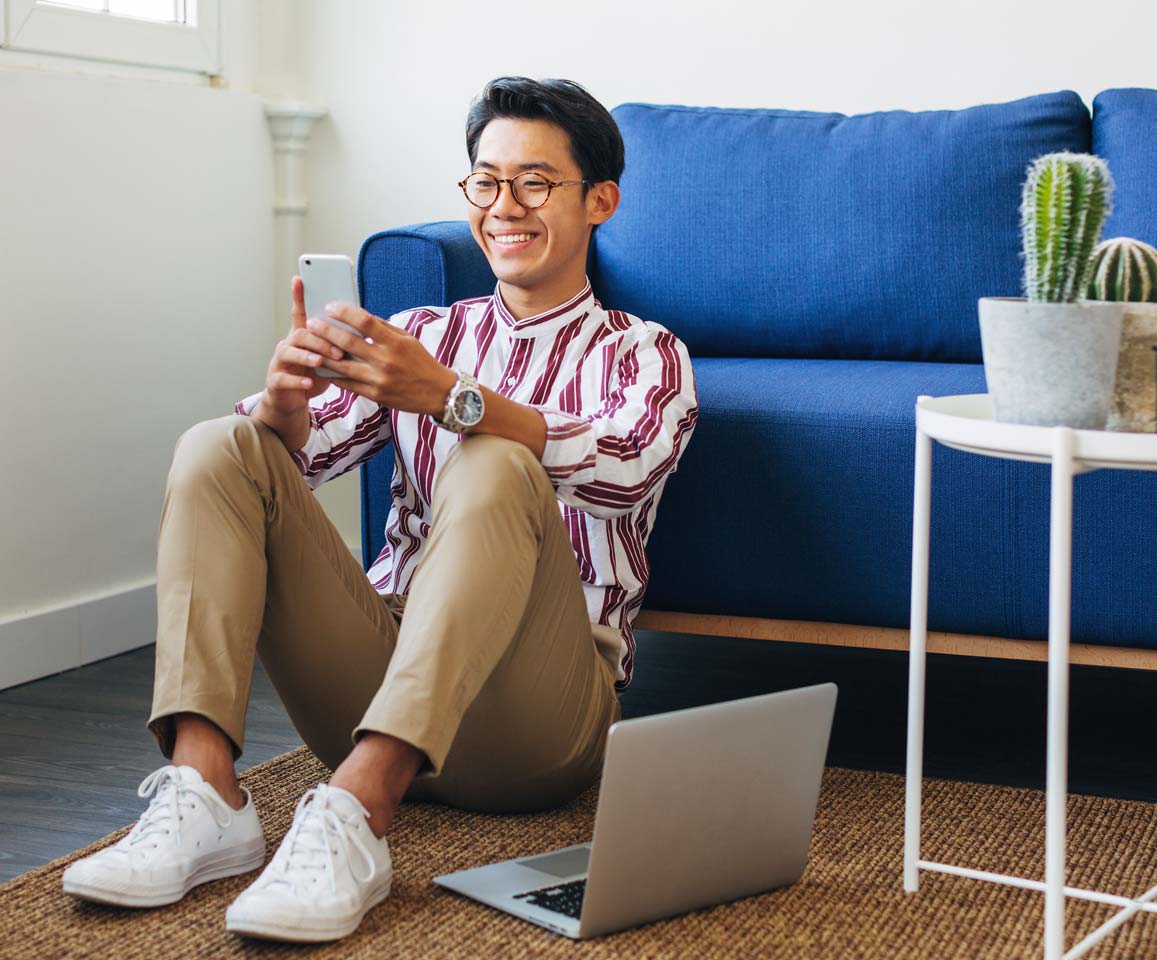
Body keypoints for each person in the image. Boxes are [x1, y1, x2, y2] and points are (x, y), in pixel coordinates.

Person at [61, 76, 698, 943]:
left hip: (537, 723)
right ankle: (207, 790)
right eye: (485, 180)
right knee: (221, 442)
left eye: (535, 182)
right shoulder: (421, 331)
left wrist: (453, 399)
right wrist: (286, 405)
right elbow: (281, 470)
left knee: (498, 464)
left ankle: (361, 811)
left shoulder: (645, 354)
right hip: (373, 680)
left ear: (601, 201)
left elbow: (626, 469)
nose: (503, 206)